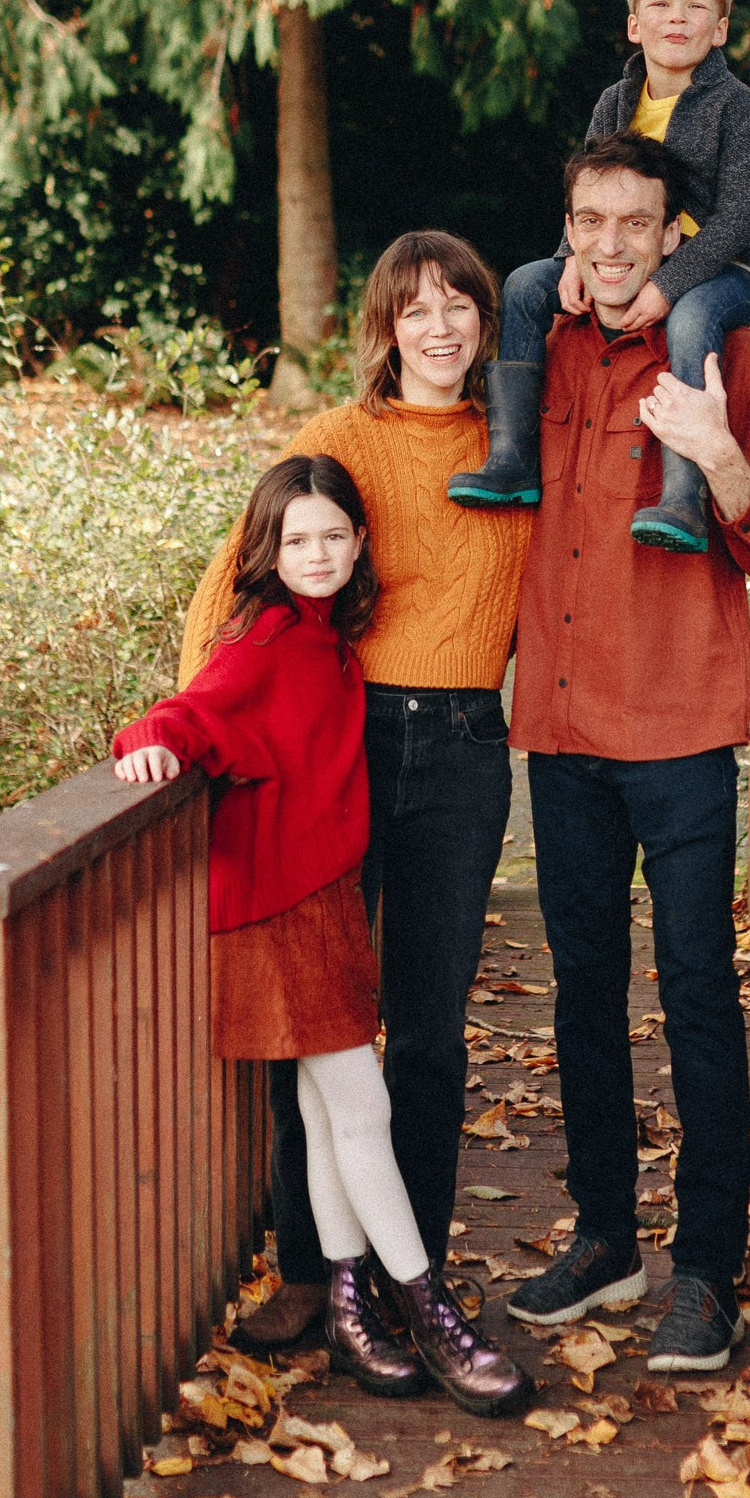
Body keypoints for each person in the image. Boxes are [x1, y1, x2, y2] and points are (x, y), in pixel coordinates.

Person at [112, 455, 531, 1418]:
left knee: (318, 1108)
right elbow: (191, 710)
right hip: (279, 910)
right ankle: (429, 1310)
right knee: (359, 1109)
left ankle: (346, 1305)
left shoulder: (325, 636)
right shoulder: (266, 636)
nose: (317, 554)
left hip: (320, 897)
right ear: (264, 549)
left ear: (358, 543)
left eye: (334, 536)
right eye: (296, 540)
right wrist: (152, 742)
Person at [175, 235, 532, 1357]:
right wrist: (200, 730)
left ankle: (406, 1267)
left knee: (426, 1028)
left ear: (484, 322)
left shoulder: (512, 445)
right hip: (346, 743)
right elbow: (230, 587)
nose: (439, 327)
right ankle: (304, 1269)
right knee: (312, 1014)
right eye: (413, 309)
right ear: (382, 328)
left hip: (467, 749)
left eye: (459, 306)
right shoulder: (335, 442)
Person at [500, 133, 750, 1375]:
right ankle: (603, 1241)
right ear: (566, 229)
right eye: (591, 222)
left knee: (693, 1000)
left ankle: (703, 1273)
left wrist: (718, 450)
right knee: (581, 995)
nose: (613, 245)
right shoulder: (538, 352)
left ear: (674, 234)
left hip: (680, 732)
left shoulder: (726, 357)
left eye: (637, 223)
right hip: (563, 731)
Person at [450, 0, 750, 552]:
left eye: (695, 7)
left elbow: (740, 217)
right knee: (522, 285)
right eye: (660, 4)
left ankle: (683, 499)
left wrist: (670, 286)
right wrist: (571, 259)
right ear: (635, 24)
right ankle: (514, 459)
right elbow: (587, 191)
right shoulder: (617, 102)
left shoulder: (738, 110)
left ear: (721, 27)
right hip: (621, 252)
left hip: (722, 271)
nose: (677, 18)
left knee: (692, 321)